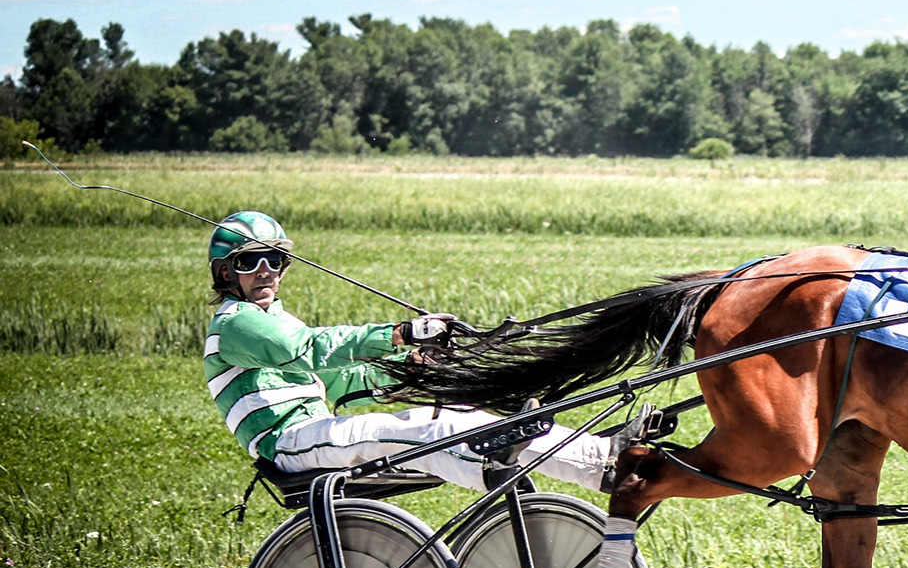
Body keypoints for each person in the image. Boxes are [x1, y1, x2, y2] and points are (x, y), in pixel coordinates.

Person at [202, 210, 623, 496]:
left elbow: (343, 381)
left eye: (275, 259)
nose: (266, 270)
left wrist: (412, 365)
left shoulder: (275, 320)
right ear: (225, 272)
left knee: (459, 416)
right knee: (433, 431)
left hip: (315, 435)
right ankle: (487, 463)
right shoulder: (234, 323)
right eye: (250, 261)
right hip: (288, 444)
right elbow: (310, 350)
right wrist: (402, 333)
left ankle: (600, 461)